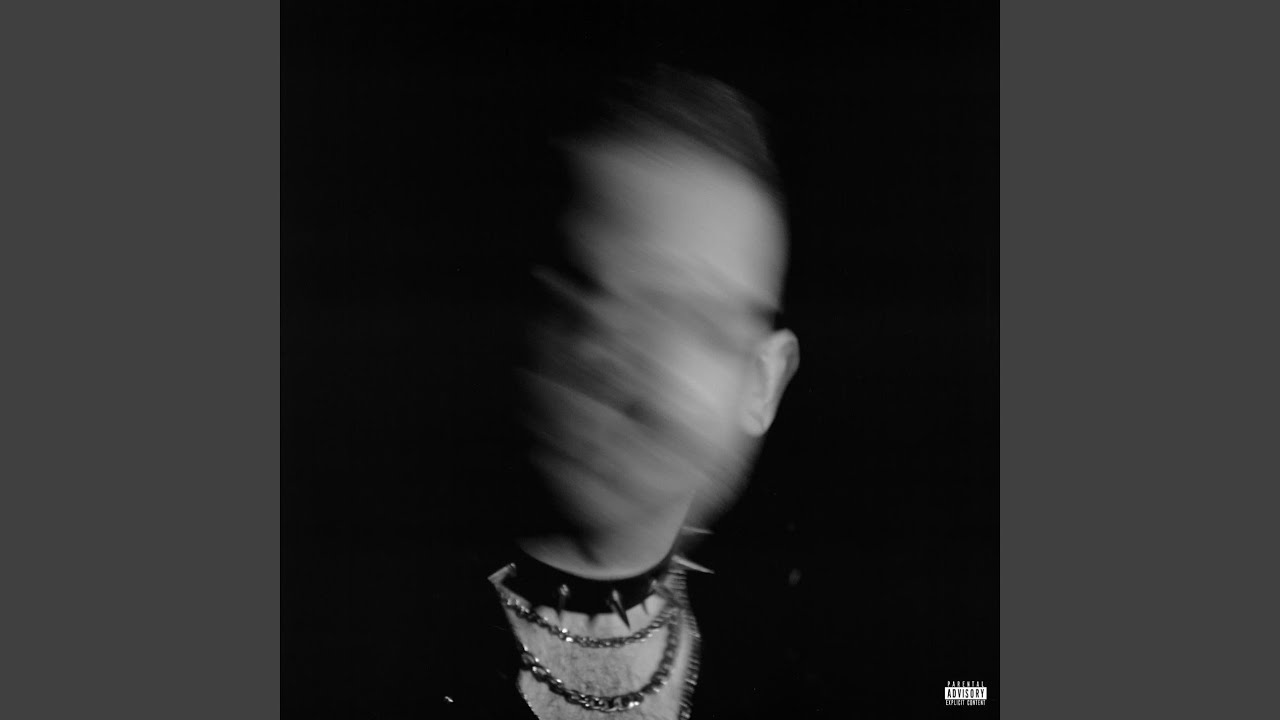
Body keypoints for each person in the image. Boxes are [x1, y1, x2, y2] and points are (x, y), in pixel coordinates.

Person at [431, 66, 800, 719]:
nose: (605, 356)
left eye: (690, 315)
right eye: (573, 292)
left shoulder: (809, 664)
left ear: (763, 383)